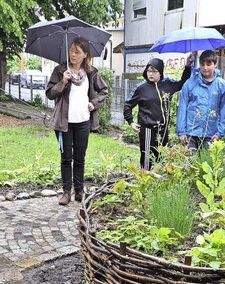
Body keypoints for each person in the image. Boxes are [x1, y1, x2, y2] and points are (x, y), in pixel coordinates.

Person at [46, 37, 108, 206]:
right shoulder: (60, 70)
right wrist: (63, 82)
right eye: (71, 51)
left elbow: (104, 91)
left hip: (83, 122)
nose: (73, 54)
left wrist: (93, 104)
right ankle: (66, 192)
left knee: (80, 157)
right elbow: (50, 93)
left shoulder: (91, 72)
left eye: (77, 52)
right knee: (66, 158)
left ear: (85, 55)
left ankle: (79, 191)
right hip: (63, 123)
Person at [123, 56, 191, 170]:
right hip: (148, 128)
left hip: (163, 129)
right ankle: (144, 179)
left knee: (162, 156)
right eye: (149, 70)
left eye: (154, 71)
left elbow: (182, 83)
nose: (151, 74)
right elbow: (128, 105)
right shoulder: (141, 88)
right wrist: (131, 122)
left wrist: (188, 66)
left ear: (161, 72)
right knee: (147, 156)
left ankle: (158, 181)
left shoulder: (168, 85)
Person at [176, 50, 225, 153]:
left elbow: (224, 110)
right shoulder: (190, 83)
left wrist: (220, 132)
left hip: (210, 133)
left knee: (207, 165)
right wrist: (181, 131)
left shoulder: (221, 85)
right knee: (189, 165)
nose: (205, 68)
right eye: (202, 64)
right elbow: (182, 107)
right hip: (190, 132)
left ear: (215, 64)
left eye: (209, 64)